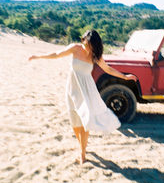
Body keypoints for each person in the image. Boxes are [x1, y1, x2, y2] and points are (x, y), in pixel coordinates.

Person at [29, 30, 136, 164]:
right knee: (75, 122)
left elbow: (108, 69)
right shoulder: (75, 48)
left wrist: (125, 77)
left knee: (85, 122)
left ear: (94, 44)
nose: (86, 45)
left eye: (89, 43)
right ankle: (82, 145)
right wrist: (38, 56)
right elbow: (57, 54)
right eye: (84, 41)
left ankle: (82, 153)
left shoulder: (95, 55)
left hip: (86, 91)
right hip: (72, 89)